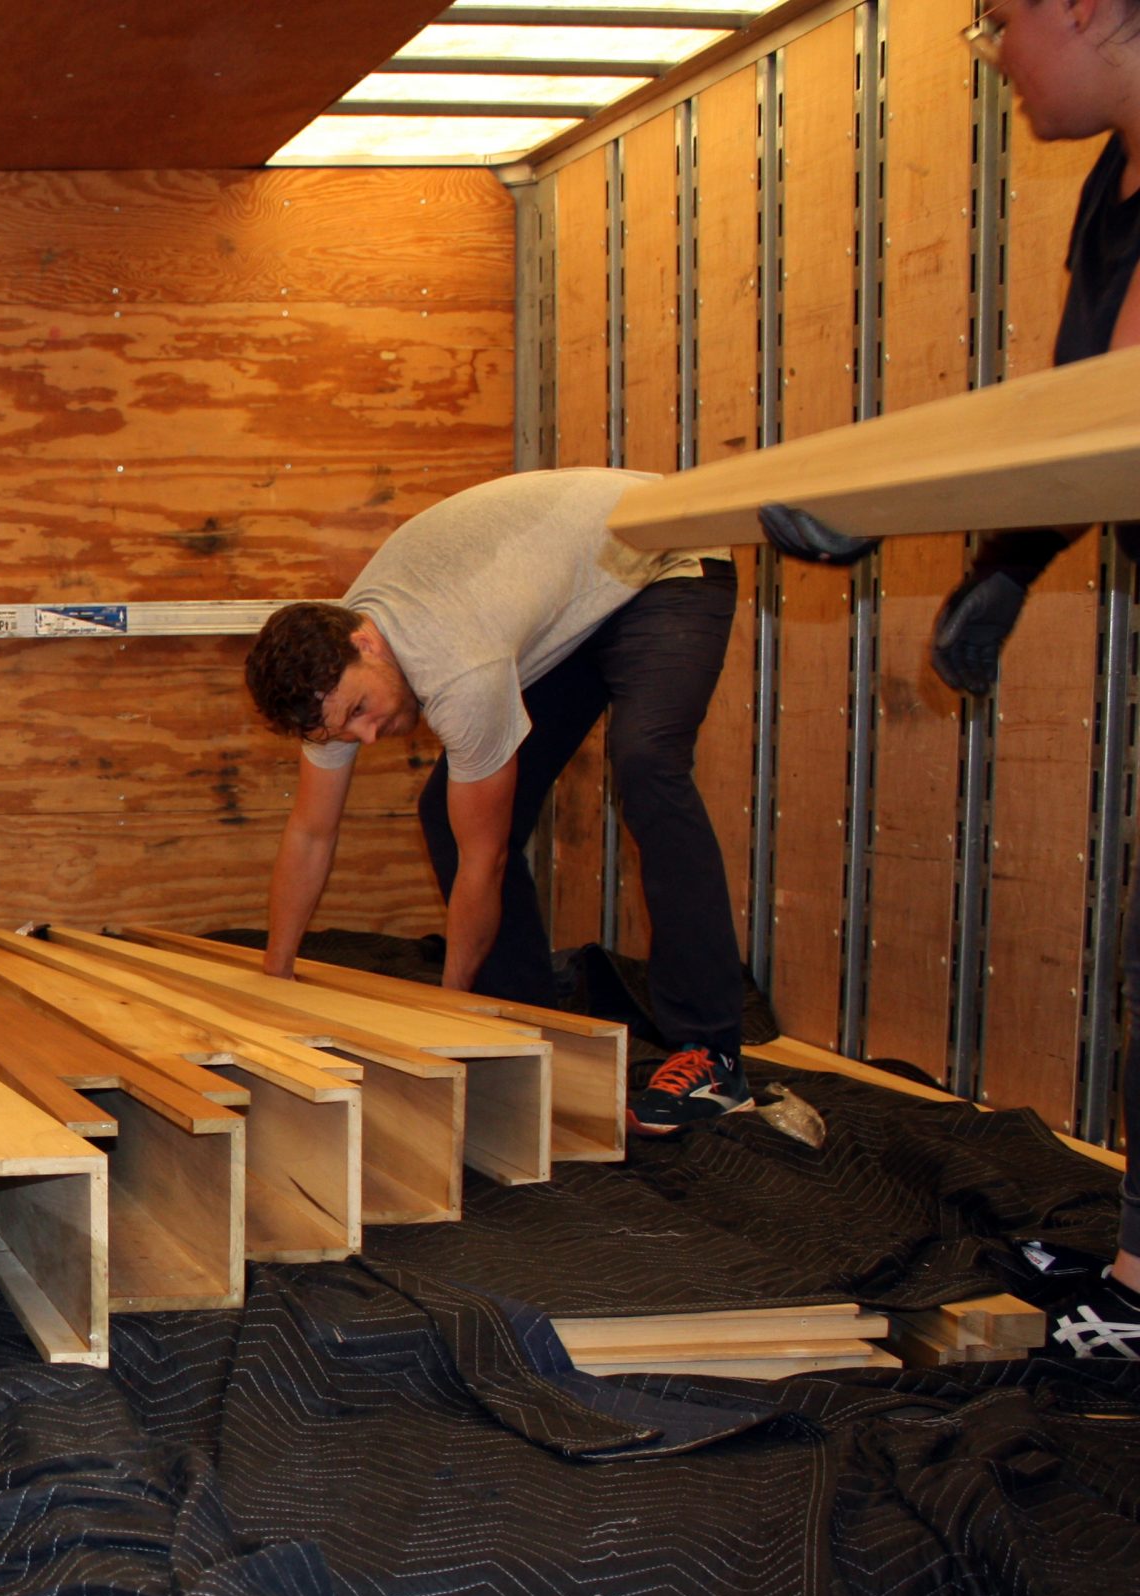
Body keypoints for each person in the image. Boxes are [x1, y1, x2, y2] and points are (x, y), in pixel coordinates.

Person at [762, 0, 1140, 1355]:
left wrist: (898, 495)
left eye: (997, 22)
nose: (994, 56)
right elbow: (1091, 403)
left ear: (1083, 6)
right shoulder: (1114, 178)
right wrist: (1008, 558)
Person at [243, 467, 749, 1137]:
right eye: (343, 731)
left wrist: (444, 1017)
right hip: (576, 596)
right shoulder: (332, 677)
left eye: (362, 711)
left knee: (647, 763)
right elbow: (311, 832)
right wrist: (276, 974)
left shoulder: (458, 669)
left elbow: (485, 859)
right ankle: (525, 1029)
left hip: (666, 554)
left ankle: (711, 1054)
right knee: (443, 813)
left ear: (365, 642)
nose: (365, 736)